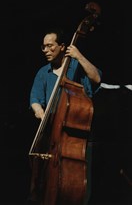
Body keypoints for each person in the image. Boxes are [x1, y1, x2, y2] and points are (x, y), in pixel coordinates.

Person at [29, 27, 102, 204]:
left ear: (62, 46)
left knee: (78, 185)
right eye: (43, 47)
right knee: (46, 181)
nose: (46, 50)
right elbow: (35, 99)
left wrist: (79, 56)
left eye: (50, 46)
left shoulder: (77, 67)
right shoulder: (43, 72)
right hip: (52, 134)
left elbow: (97, 79)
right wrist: (40, 112)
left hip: (77, 137)